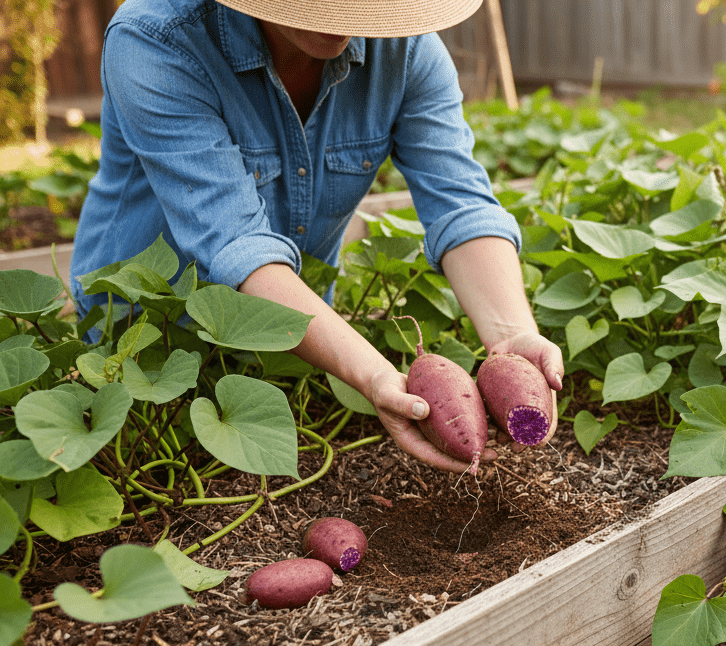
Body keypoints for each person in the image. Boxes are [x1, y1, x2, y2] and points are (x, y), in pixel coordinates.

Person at [68, 0, 563, 473]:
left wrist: (510, 335)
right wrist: (372, 375)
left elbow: (460, 202)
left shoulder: (405, 52)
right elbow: (238, 245)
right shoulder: (157, 41)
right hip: (143, 348)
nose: (341, 18)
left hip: (302, 347)